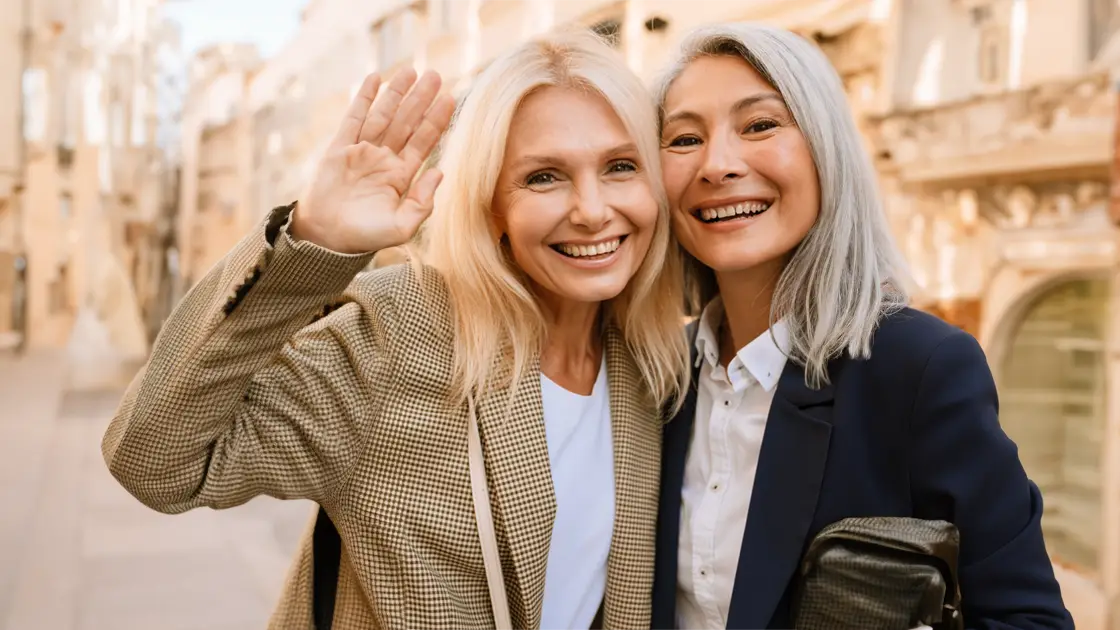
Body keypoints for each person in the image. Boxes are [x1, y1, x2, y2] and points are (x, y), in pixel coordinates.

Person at [102, 30, 689, 629]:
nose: (592, 210)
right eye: (544, 177)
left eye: (621, 166)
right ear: (492, 206)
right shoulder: (404, 328)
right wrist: (311, 244)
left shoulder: (650, 361)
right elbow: (154, 461)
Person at [647, 23, 1074, 629]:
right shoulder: (660, 377)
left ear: (826, 150)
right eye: (683, 139)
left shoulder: (921, 368)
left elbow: (1028, 619)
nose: (717, 165)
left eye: (760, 125)